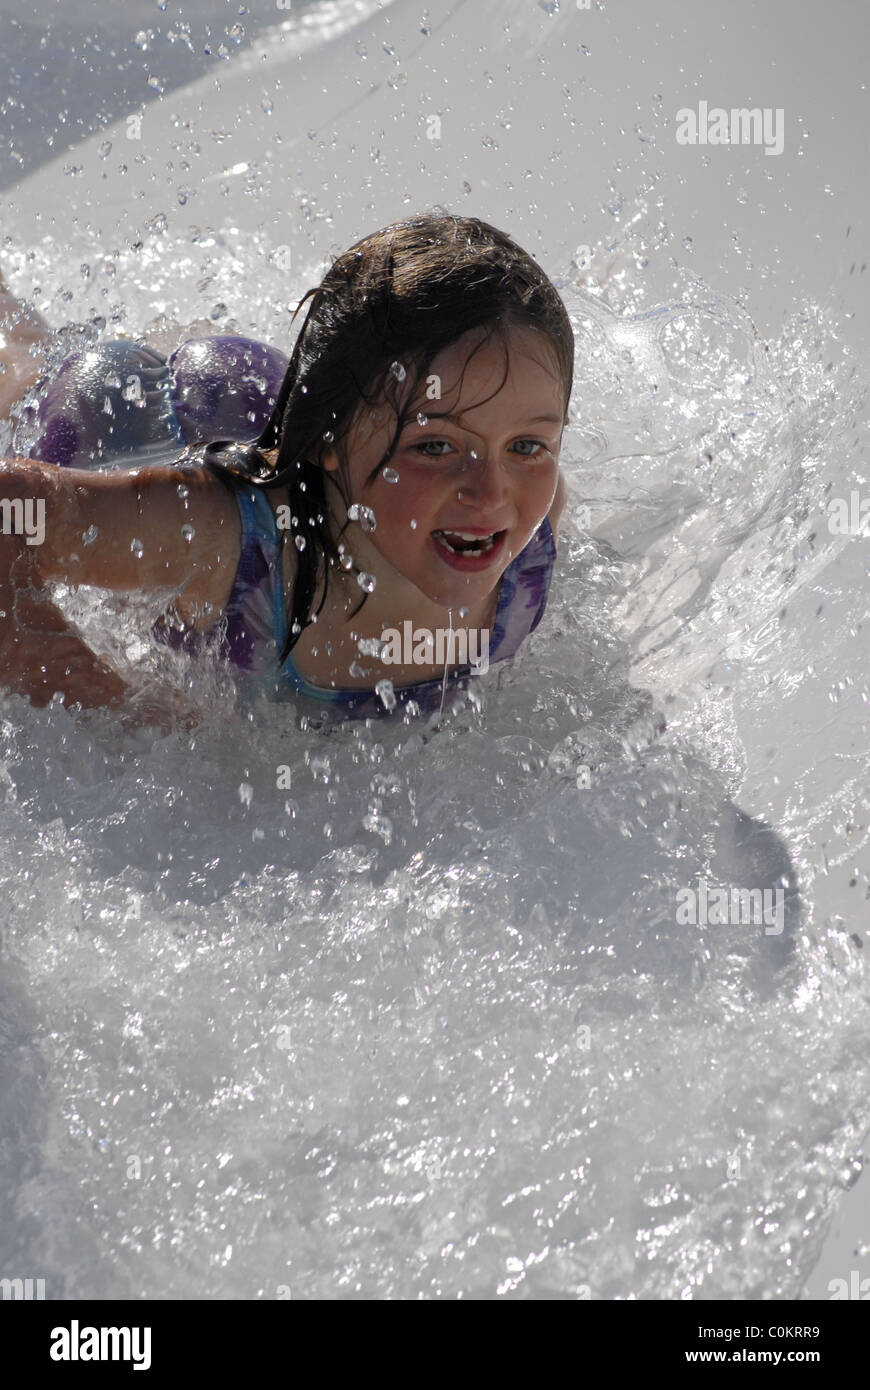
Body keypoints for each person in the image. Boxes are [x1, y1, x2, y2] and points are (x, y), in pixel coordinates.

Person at [0, 214, 571, 729]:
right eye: (435, 447)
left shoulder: (525, 526)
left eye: (526, 445)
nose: (492, 494)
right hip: (116, 426)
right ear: (325, 437)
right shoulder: (228, 546)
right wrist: (116, 706)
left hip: (265, 400)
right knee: (23, 362)